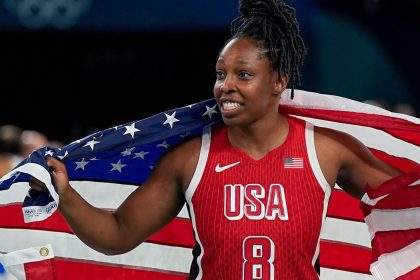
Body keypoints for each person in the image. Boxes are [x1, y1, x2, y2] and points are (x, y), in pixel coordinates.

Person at [30, 0, 403, 278]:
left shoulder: (325, 149)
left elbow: (403, 195)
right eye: (220, 74)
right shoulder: (191, 157)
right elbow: (118, 234)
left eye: (243, 74)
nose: (226, 86)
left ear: (279, 81)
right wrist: (64, 191)